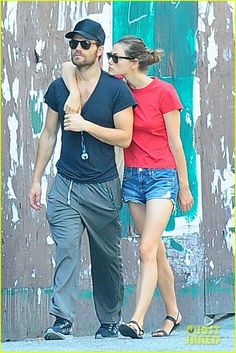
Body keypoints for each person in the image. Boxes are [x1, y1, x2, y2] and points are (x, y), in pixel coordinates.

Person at [62, 35, 194, 339]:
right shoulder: (117, 89)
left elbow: (176, 143)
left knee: (146, 247)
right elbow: (67, 68)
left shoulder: (164, 92)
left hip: (162, 176)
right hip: (134, 178)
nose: (108, 61)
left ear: (133, 62)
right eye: (108, 56)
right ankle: (173, 312)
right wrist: (72, 91)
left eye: (115, 58)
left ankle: (135, 321)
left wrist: (184, 187)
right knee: (156, 251)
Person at [28, 19, 136, 340]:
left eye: (84, 44)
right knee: (66, 250)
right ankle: (62, 320)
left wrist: (86, 125)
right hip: (67, 184)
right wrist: (36, 180)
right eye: (73, 43)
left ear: (99, 51)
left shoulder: (116, 89)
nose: (77, 48)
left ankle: (109, 321)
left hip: (103, 186)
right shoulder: (60, 87)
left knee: (106, 258)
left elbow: (125, 137)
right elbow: (48, 136)